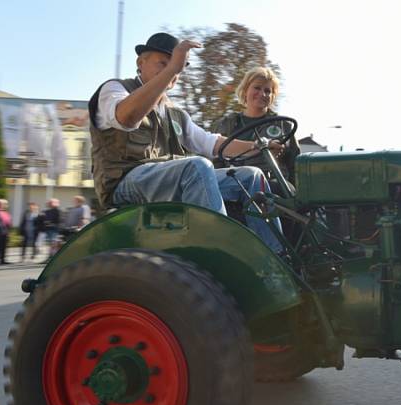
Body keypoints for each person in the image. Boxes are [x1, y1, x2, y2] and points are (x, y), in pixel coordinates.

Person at [88, 32, 283, 251]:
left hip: (167, 179)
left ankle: (275, 256)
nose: (173, 71)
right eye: (164, 63)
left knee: (251, 176)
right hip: (124, 181)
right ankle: (224, 252)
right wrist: (172, 68)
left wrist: (258, 147)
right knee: (197, 167)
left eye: (177, 67)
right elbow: (126, 118)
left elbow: (211, 143)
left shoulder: (175, 112)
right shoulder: (115, 89)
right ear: (140, 62)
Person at [212, 66, 300, 183]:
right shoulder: (226, 124)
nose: (262, 94)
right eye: (257, 88)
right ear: (245, 90)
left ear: (273, 96)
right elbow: (215, 162)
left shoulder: (284, 126)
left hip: (272, 189)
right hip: (233, 185)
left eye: (267, 91)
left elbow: (296, 166)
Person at [0, 199, 11, 264]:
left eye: (4, 204)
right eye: (1, 204)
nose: (3, 205)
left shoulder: (6, 212)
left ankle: (2, 259)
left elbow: (8, 223)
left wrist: (8, 231)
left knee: (3, 246)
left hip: (5, 232)